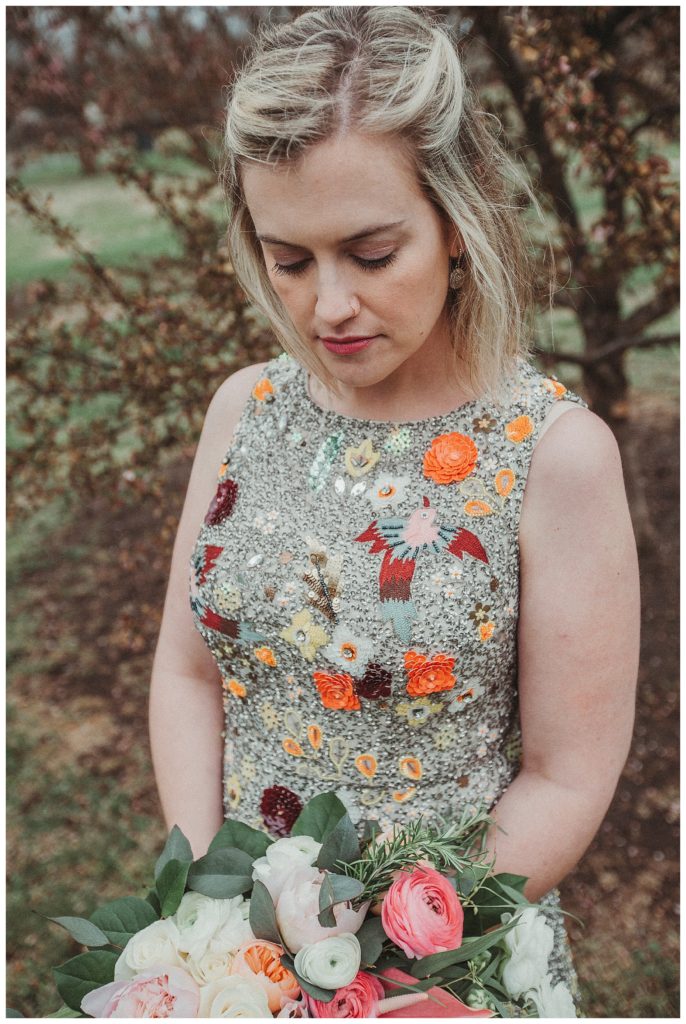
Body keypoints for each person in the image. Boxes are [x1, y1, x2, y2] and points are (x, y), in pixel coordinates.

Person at [149, 6, 640, 1013]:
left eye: (369, 254)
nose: (326, 305)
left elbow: (565, 777)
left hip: (447, 964)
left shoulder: (552, 454)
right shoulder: (242, 411)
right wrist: (206, 906)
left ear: (455, 224)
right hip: (237, 962)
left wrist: (373, 962)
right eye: (289, 260)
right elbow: (185, 671)